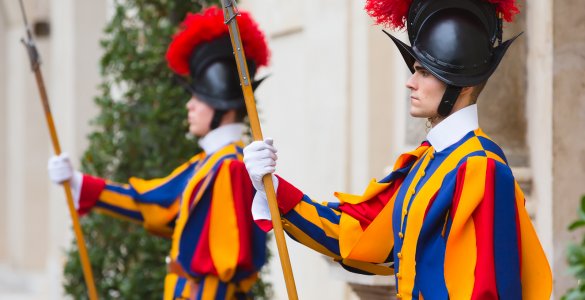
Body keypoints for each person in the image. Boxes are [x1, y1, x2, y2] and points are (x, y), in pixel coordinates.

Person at [242, 0, 552, 298]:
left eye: (425, 72)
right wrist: (274, 189)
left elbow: (486, 290)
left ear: (464, 85)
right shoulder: (426, 160)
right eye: (415, 69)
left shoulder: (481, 167)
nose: (410, 82)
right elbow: (362, 235)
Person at [48, 6, 270, 300]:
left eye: (199, 97)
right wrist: (77, 182)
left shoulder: (230, 167)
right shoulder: (209, 163)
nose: (190, 105)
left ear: (222, 104)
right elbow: (153, 203)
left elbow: (225, 264)